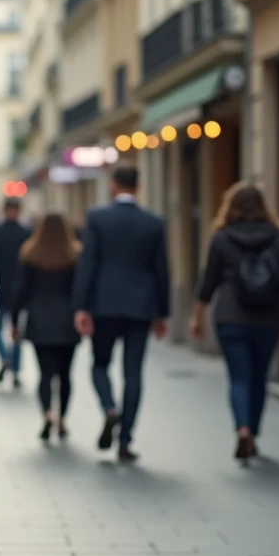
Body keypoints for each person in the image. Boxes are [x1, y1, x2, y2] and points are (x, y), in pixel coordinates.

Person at [191, 183, 279, 461]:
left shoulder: (221, 237)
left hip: (230, 317)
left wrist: (196, 316)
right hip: (268, 318)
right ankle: (254, 433)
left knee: (239, 377)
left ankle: (242, 429)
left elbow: (208, 281)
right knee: (259, 377)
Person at [72, 164, 169, 463]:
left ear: (113, 186)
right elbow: (161, 271)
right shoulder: (153, 223)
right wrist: (162, 313)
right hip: (141, 308)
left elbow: (88, 263)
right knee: (133, 373)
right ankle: (125, 440)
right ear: (138, 187)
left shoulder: (98, 218)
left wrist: (81, 306)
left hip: (104, 306)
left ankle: (109, 409)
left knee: (100, 365)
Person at [10, 212, 81, 443]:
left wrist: (14, 320)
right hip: (67, 322)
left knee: (45, 374)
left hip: (39, 321)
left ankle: (47, 414)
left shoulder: (30, 253)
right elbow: (80, 290)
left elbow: (21, 290)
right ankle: (62, 419)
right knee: (65, 375)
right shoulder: (75, 254)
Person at [0, 197, 30, 387]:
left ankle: (6, 358)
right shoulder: (27, 234)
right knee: (16, 333)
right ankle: (15, 369)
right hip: (20, 290)